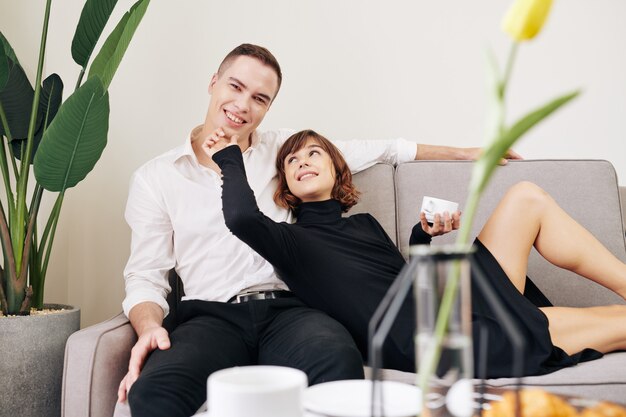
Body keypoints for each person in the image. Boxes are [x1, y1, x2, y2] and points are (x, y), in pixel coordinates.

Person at [117, 44, 513, 417]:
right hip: (211, 316)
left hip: (292, 311)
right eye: (235, 86)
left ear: (269, 107)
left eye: (259, 98)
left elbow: (387, 148)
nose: (242, 105)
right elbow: (145, 276)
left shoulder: (283, 152)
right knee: (154, 392)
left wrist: (462, 153)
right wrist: (149, 326)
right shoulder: (156, 177)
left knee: (338, 366)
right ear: (213, 82)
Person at [203, 128, 626, 379]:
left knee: (526, 197)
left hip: (449, 310)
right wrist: (230, 156)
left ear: (336, 168)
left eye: (314, 152)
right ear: (286, 187)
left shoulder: (364, 225)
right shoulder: (289, 243)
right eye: (291, 161)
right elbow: (241, 217)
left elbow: (415, 289)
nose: (302, 162)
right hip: (437, 346)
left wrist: (422, 236)